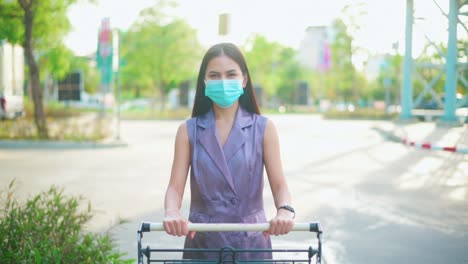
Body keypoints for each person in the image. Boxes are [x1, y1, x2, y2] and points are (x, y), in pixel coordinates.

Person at [163, 42, 295, 261]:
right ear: (204, 82)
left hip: (251, 244)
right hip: (202, 243)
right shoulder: (188, 131)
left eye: (231, 74)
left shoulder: (264, 128)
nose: (223, 82)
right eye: (214, 75)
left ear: (244, 80)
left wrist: (285, 211)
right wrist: (171, 212)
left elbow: (280, 185)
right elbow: (175, 189)